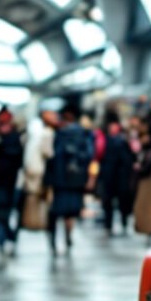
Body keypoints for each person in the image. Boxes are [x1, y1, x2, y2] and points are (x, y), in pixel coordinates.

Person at [46, 106, 93, 254]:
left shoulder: (58, 134)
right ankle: (68, 235)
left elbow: (50, 157)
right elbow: (89, 155)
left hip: (59, 180)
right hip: (76, 180)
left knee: (55, 211)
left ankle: (53, 242)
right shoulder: (83, 134)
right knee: (71, 212)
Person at [0, 106, 23, 255]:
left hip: (8, 180)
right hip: (0, 180)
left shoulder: (9, 137)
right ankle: (4, 237)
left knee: (5, 210)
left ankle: (5, 235)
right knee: (1, 209)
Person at [98, 113, 135, 235]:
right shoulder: (109, 139)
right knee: (111, 200)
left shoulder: (119, 140)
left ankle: (119, 222)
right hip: (112, 174)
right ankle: (110, 223)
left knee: (119, 200)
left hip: (117, 175)